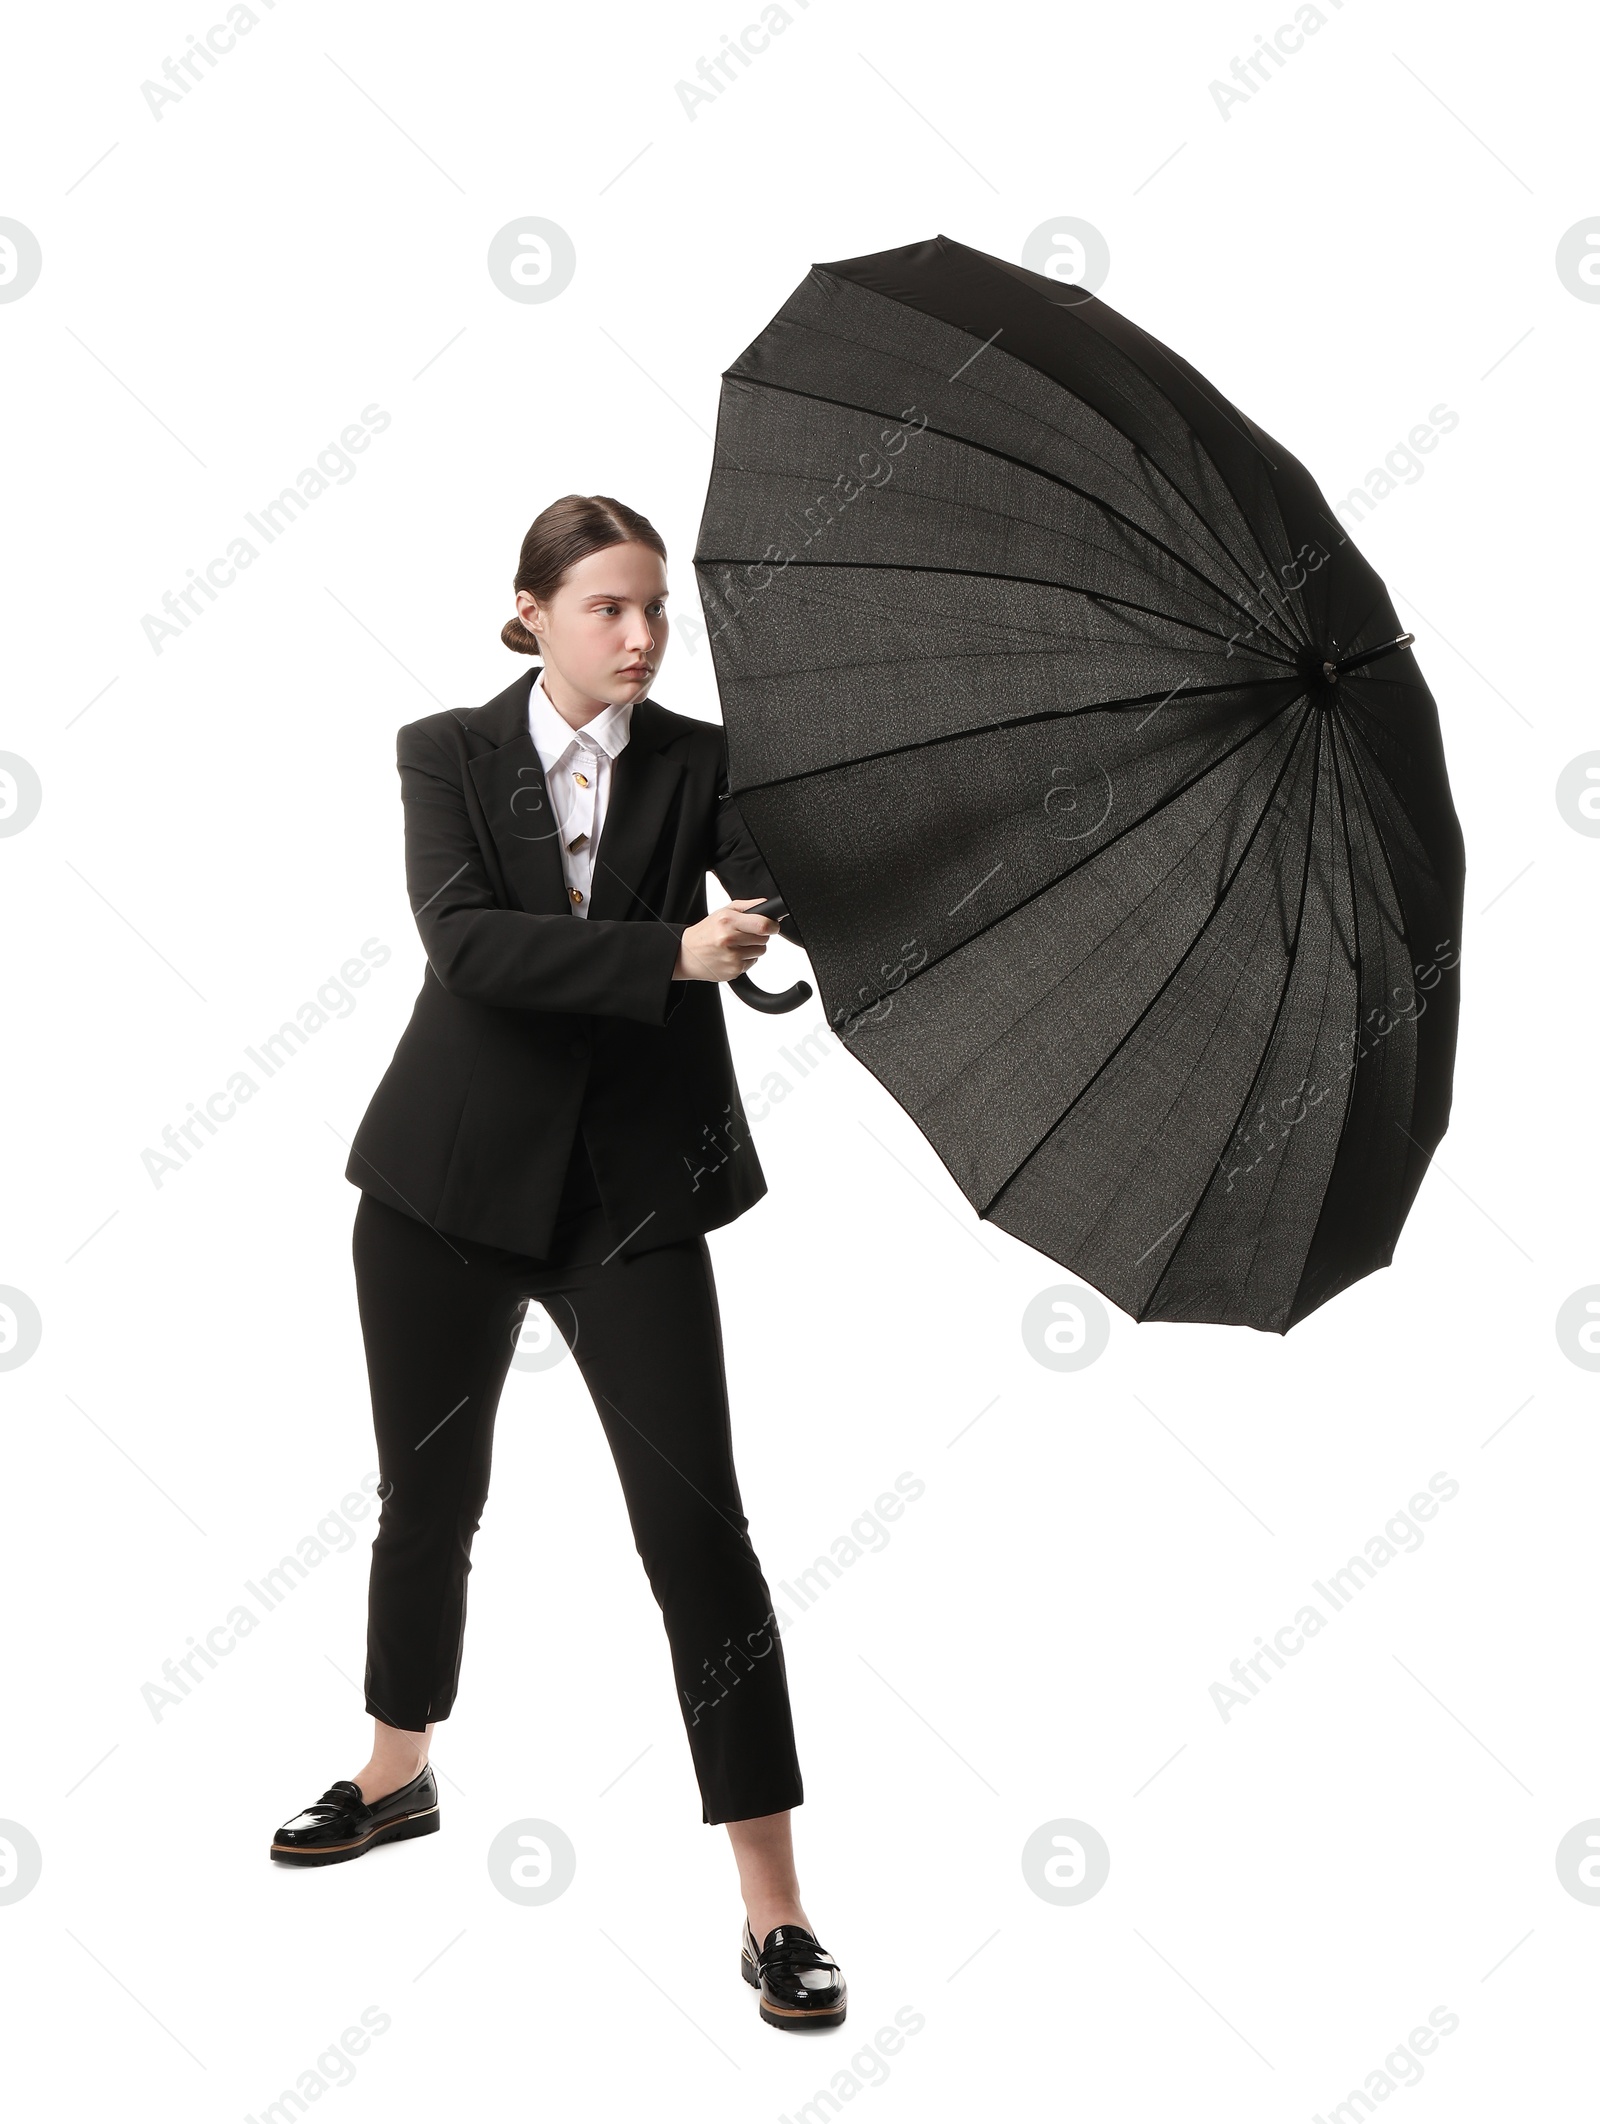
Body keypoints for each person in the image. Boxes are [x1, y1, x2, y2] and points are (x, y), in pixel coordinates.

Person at [267, 494, 846, 2031]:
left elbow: (796, 875)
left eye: (657, 607)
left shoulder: (701, 762)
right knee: (429, 1500)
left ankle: (775, 1909)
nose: (644, 634)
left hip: (630, 1195)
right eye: (609, 607)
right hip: (443, 1185)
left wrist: (784, 907)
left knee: (698, 1531)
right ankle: (397, 1775)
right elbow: (467, 945)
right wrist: (667, 954)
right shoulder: (444, 752)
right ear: (530, 613)